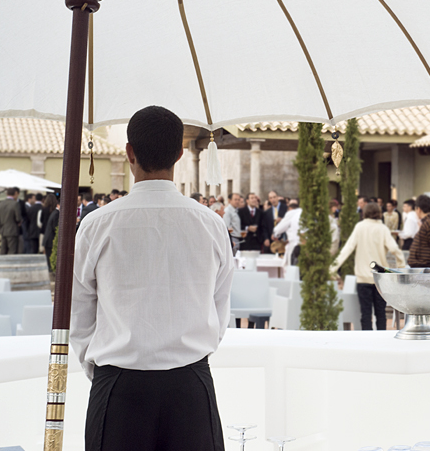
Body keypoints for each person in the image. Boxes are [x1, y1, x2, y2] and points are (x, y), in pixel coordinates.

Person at [71, 106, 232, 451]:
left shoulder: (96, 224)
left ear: (129, 152)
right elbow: (220, 308)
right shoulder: (211, 223)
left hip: (118, 387)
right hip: (190, 385)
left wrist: (104, 372)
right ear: (178, 154)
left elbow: (79, 313)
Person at [330, 202, 405, 330]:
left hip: (363, 278)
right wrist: (401, 268)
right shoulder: (383, 229)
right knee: (381, 314)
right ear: (379, 214)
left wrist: (332, 268)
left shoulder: (360, 227)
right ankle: (382, 342)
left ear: (364, 213)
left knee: (365, 314)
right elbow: (394, 249)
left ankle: (368, 342)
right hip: (381, 279)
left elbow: (347, 248)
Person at [272, 200, 302, 266]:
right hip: (307, 245)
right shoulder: (304, 212)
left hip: (295, 246)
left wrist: (275, 235)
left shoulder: (291, 213)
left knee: (293, 269)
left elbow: (278, 229)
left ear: (289, 209)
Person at [0, 187, 22, 255]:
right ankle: (10, 264)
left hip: (3, 230)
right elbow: (18, 218)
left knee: (3, 249)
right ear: (15, 194)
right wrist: (19, 223)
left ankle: (1, 264)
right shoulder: (15, 204)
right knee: (12, 250)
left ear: (6, 194)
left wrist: (1, 228)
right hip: (13, 230)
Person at [42, 195, 60, 271]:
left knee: (49, 259)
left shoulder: (54, 212)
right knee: (50, 260)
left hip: (47, 239)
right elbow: (55, 227)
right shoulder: (56, 213)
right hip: (50, 240)